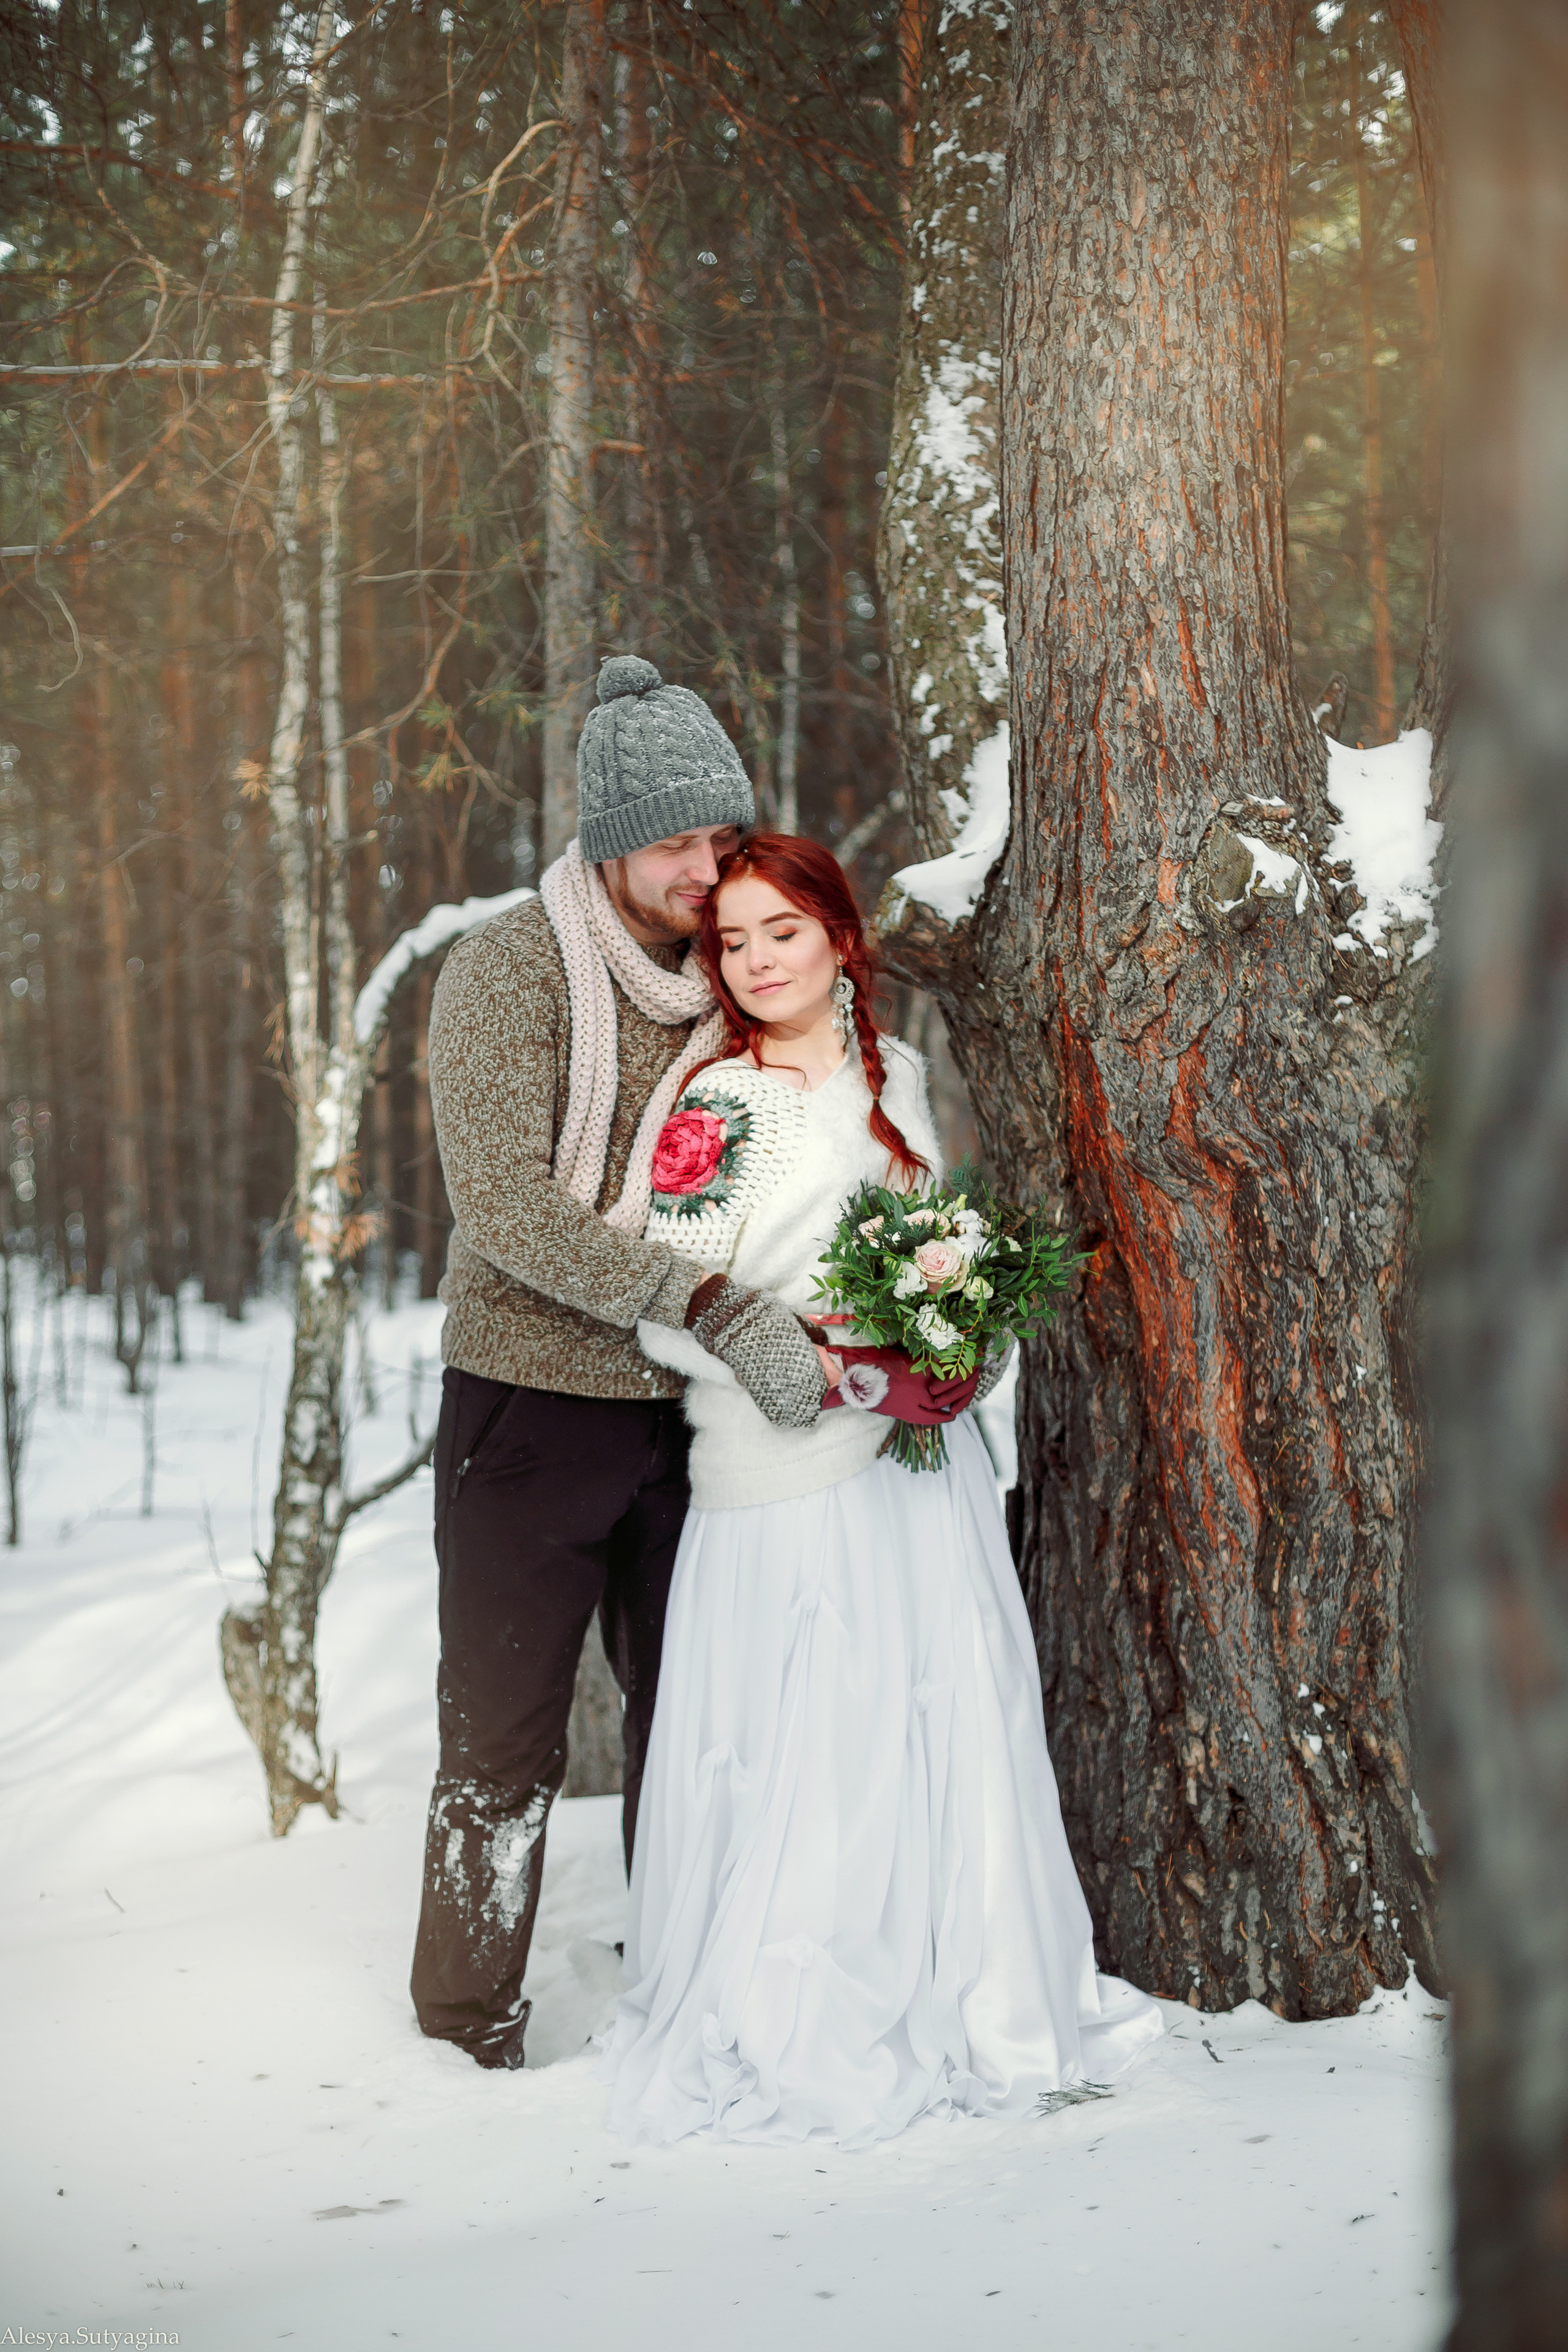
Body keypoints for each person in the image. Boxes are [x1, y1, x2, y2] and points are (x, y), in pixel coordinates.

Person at [603, 833, 1164, 2146]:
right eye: (729, 942)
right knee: (821, 1744)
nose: (751, 962)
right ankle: (810, 2011)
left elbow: (932, 1248)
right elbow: (664, 1316)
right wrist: (848, 1377)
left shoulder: (892, 1071)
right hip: (785, 1473)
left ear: (838, 936)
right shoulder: (714, 1107)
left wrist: (964, 1349)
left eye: (777, 933)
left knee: (935, 1719)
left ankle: (963, 1984)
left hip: (919, 1480)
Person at [410, 659, 832, 2070]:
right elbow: (506, 1210)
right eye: (678, 847)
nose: (710, 877)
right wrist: (708, 1303)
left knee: (690, 1715)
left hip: (680, 1421)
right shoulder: (506, 972)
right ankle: (463, 2029)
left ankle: (687, 1983)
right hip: (527, 1413)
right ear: (608, 840)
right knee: (504, 1736)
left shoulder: (722, 980)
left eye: (722, 843)